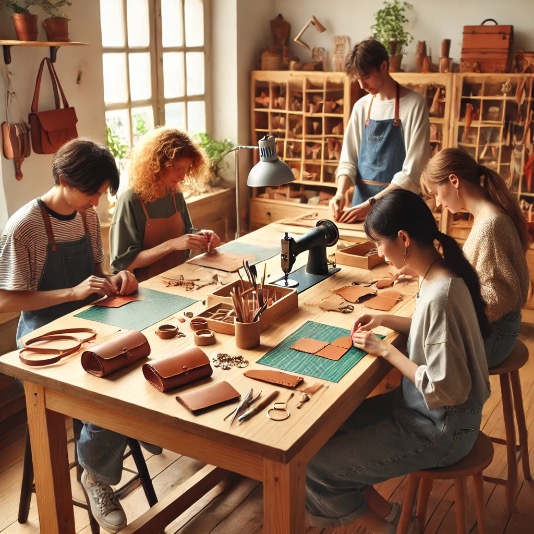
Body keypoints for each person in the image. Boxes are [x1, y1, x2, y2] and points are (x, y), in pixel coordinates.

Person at [306, 189, 490, 532]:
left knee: (313, 466)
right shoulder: (439, 274)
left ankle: (390, 529)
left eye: (379, 243)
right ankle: (393, 516)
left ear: (403, 238)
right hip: (423, 410)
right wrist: (386, 320)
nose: (378, 252)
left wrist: (386, 350)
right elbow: (432, 331)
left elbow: (445, 389)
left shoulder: (442, 295)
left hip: (443, 428)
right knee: (322, 436)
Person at [0, 138, 139, 533]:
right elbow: (4, 300)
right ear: (64, 180)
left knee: (139, 364)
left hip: (88, 321)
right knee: (110, 384)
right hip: (43, 334)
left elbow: (97, 271)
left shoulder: (87, 218)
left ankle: (105, 451)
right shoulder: (25, 226)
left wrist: (116, 280)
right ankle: (95, 472)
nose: (96, 201)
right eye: (92, 192)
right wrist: (72, 293)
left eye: (100, 192)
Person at [421, 147, 530, 368]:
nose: (439, 204)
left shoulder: (490, 224)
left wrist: (454, 316)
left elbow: (498, 298)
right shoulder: (485, 216)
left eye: (436, 194)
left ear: (453, 181)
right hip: (496, 329)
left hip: (495, 336)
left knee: (422, 347)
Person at [329, 38, 430, 223]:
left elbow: (412, 174)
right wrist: (340, 193)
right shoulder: (361, 106)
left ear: (384, 65)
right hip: (361, 209)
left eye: (366, 77)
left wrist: (372, 203)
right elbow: (348, 161)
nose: (362, 86)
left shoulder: (414, 104)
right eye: (358, 79)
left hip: (400, 208)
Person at [110, 127, 221, 282]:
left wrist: (202, 236)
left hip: (180, 279)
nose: (182, 177)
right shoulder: (131, 200)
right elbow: (124, 264)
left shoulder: (175, 193)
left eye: (186, 169)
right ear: (158, 165)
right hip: (146, 288)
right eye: (177, 168)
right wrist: (170, 245)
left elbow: (187, 232)